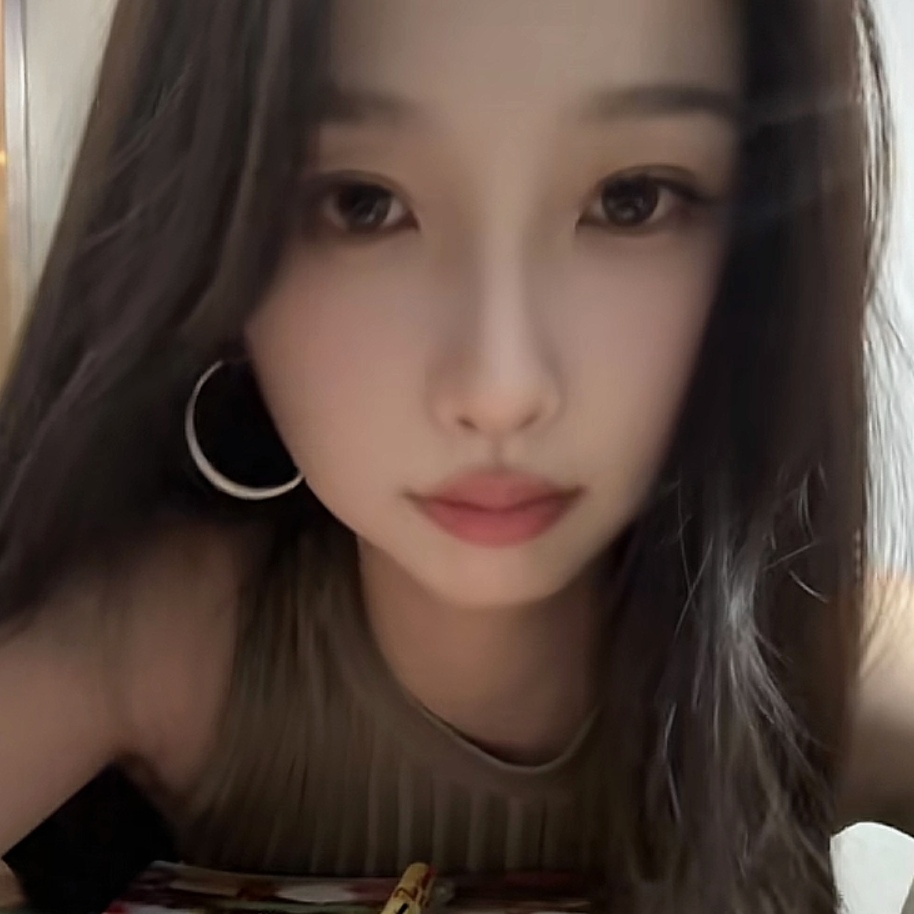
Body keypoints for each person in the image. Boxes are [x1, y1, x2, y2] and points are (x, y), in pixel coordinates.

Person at [0, 0, 912, 912]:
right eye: (363, 204)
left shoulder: (818, 656)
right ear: (211, 246)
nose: (500, 388)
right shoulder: (160, 638)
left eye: (631, 199)